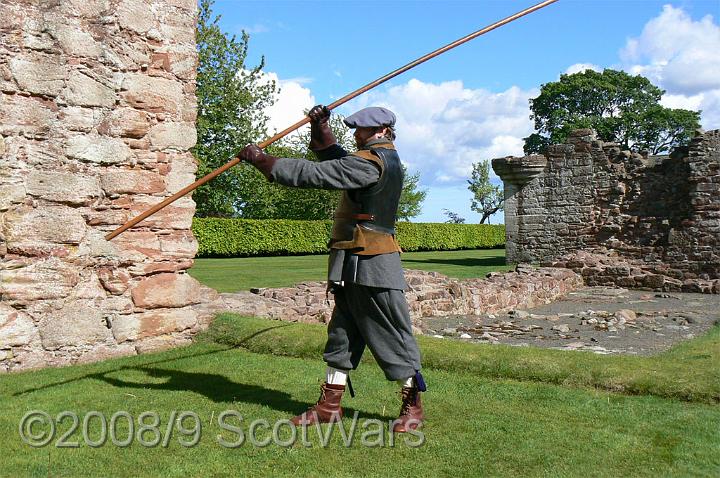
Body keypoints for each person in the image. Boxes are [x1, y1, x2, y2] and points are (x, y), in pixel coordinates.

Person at [238, 105, 426, 433]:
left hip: (374, 265)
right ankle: (329, 406)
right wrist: (320, 127)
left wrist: (263, 161)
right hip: (353, 260)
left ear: (381, 130)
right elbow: (335, 158)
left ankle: (413, 407)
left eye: (362, 130)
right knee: (341, 334)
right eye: (355, 130)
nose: (356, 134)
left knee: (391, 334)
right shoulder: (372, 159)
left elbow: (320, 174)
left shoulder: (372, 164)